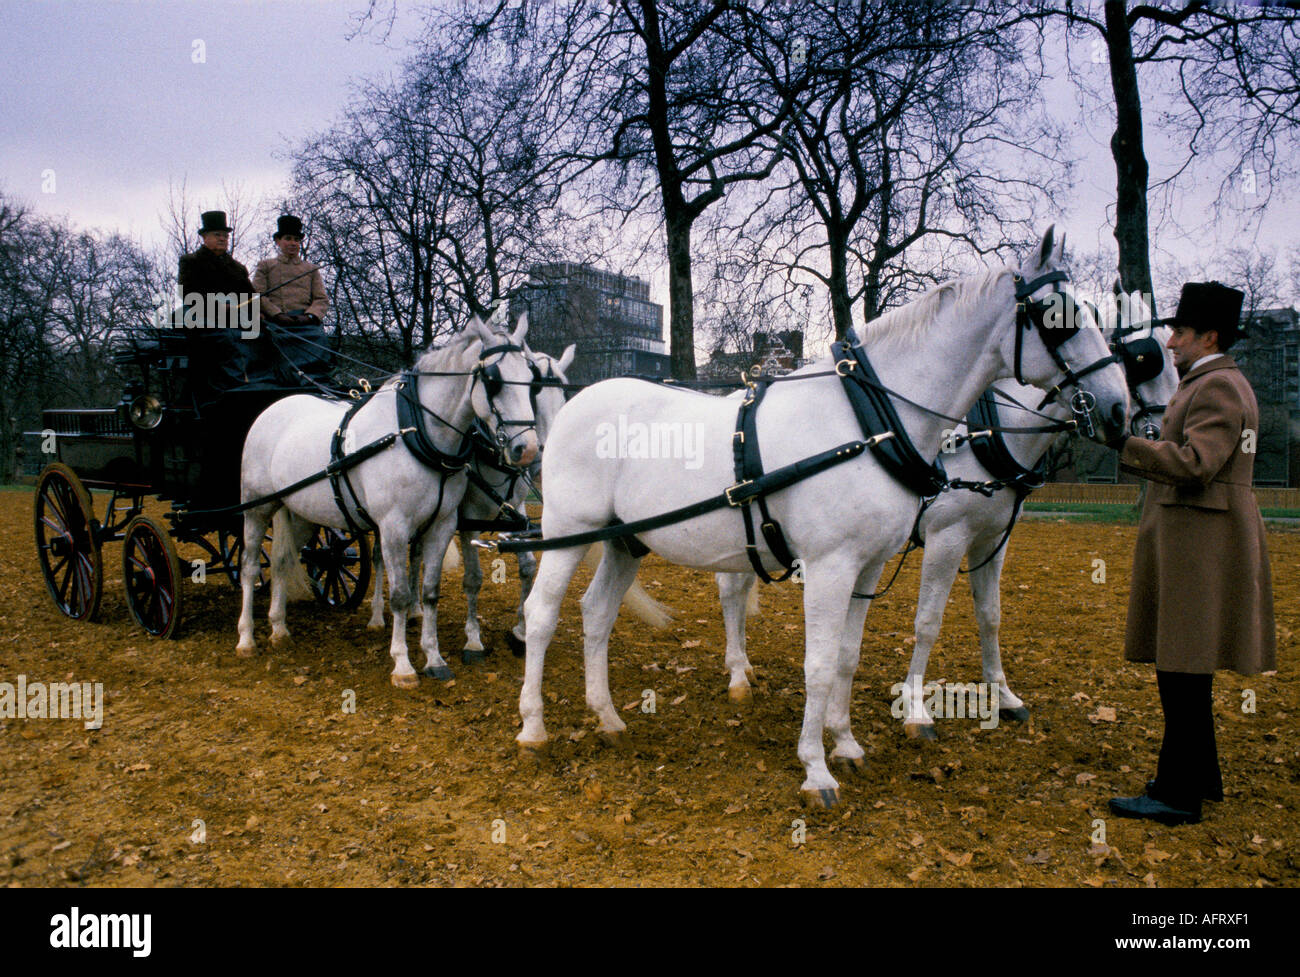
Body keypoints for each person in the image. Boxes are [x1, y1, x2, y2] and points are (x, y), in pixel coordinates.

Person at [1106, 281, 1276, 826]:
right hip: (1193, 540)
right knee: (1185, 669)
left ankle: (1179, 796)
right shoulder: (1209, 382)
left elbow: (1197, 463)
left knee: (1182, 671)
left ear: (1210, 335)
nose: (1171, 342)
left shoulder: (1219, 387)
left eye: (1180, 332)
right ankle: (1199, 775)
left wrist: (1121, 445)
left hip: (1199, 545)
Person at [176, 210, 270, 394]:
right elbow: (188, 294)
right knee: (227, 338)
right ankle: (235, 386)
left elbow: (250, 296)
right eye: (217, 235)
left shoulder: (237, 268)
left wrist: (257, 312)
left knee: (266, 334)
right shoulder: (191, 262)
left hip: (235, 318)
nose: (223, 239)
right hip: (202, 317)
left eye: (225, 236)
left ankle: (263, 382)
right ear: (204, 237)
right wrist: (219, 307)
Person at [252, 215, 332, 385]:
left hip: (305, 322)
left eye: (296, 239)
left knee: (318, 337)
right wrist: (278, 315)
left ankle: (316, 380)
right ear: (278, 241)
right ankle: (288, 379)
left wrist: (309, 316)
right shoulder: (266, 266)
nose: (293, 243)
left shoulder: (310, 269)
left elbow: (321, 299)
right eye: (288, 238)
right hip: (277, 322)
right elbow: (258, 295)